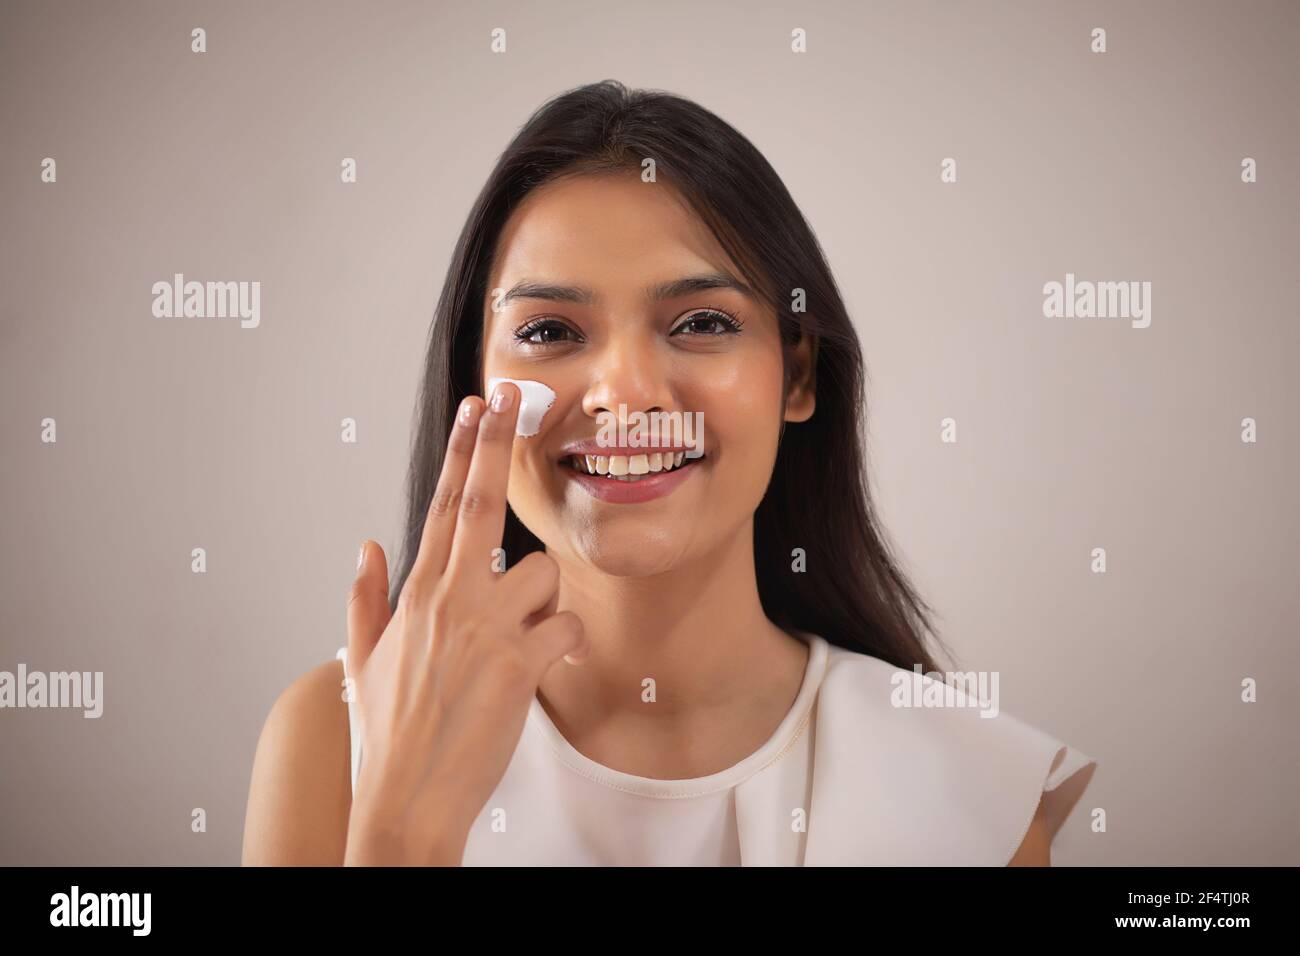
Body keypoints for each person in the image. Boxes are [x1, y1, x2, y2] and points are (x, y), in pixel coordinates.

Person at [242, 80, 1096, 866]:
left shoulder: (970, 799)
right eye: (548, 332)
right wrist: (401, 827)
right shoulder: (333, 740)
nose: (626, 396)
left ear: (797, 374)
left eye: (698, 321)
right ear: (474, 383)